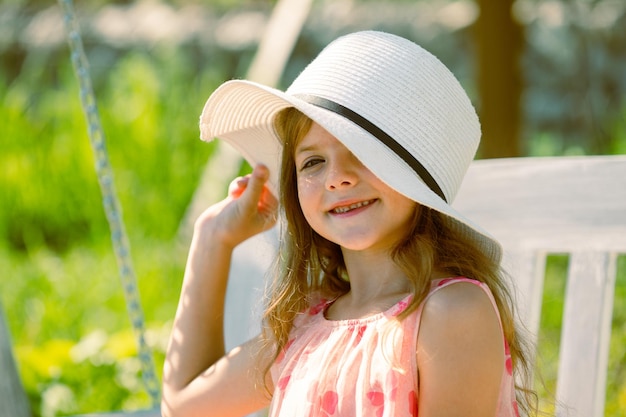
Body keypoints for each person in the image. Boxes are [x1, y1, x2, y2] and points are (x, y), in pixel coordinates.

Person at [162, 30, 536, 417]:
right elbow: (184, 405)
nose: (336, 177)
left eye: (360, 151)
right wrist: (213, 238)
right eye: (312, 162)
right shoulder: (305, 325)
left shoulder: (451, 313)